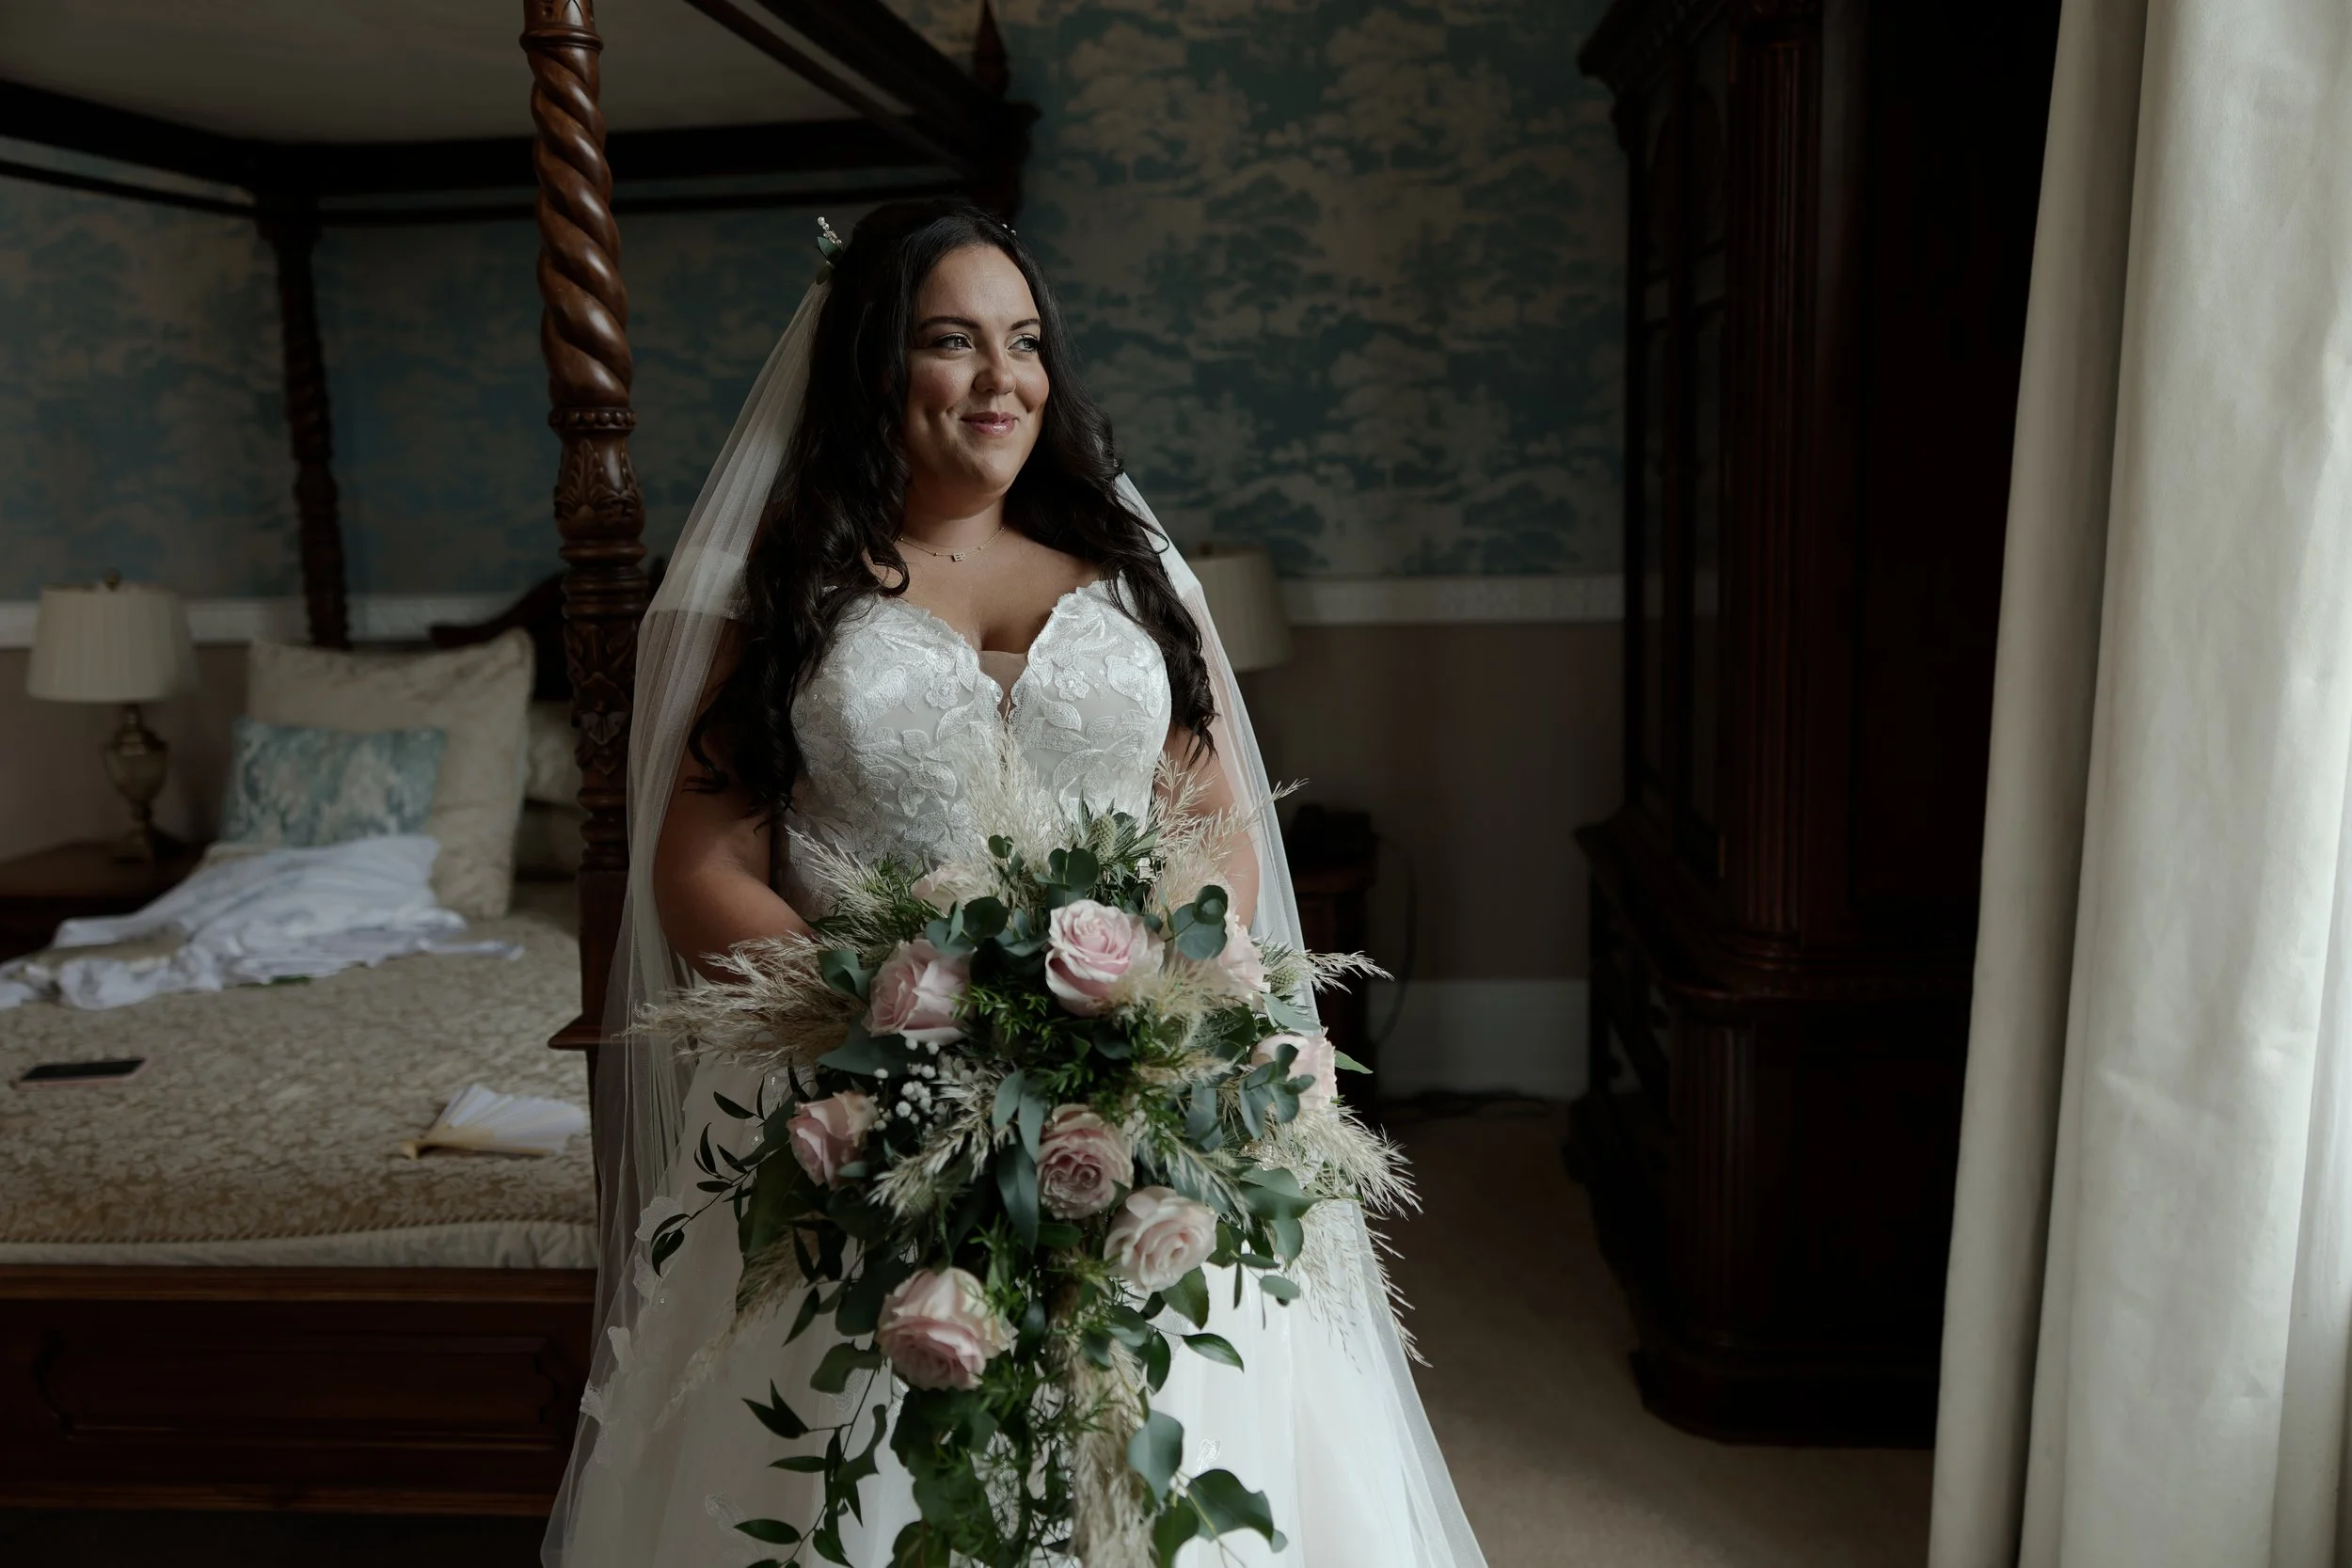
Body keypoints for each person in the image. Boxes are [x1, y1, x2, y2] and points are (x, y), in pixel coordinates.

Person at [545, 198, 1486, 1568]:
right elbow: (701, 863)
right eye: (952, 341)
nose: (1004, 380)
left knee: (1166, 1438)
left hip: (1134, 1072)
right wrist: (884, 1007)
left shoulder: (1127, 568)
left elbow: (1212, 817)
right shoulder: (782, 590)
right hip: (860, 1081)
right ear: (875, 365)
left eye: (1026, 341)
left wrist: (1174, 984)